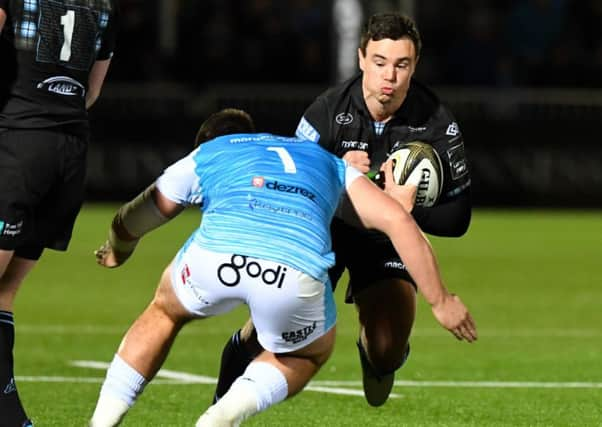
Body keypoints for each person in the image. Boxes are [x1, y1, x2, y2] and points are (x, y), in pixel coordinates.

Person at [88, 108, 476, 427]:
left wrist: (118, 247)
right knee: (306, 354)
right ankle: (223, 415)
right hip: (293, 274)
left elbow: (142, 212)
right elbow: (398, 221)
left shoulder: (209, 153)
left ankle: (102, 422)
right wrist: (440, 301)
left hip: (215, 259)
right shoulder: (327, 160)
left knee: (164, 311)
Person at [213, 12, 474, 407]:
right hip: (322, 231)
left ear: (414, 65)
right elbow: (288, 194)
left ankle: (375, 352)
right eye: (380, 63)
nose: (390, 76)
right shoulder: (327, 113)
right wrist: (330, 176)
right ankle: (236, 359)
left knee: (386, 349)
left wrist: (409, 208)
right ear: (361, 59)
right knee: (267, 333)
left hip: (386, 239)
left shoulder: (438, 123)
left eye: (402, 65)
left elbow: (458, 219)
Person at [0, 1, 118, 425]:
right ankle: (11, 418)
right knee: (4, 294)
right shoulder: (101, 4)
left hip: (17, 142)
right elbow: (93, 91)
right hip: (68, 151)